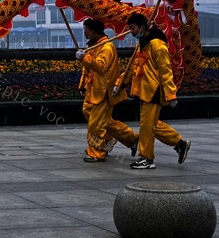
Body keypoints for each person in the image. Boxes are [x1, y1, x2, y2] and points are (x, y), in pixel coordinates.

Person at [114, 12, 191, 169]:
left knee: (146, 126)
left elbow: (166, 71)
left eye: (133, 28)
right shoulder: (142, 44)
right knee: (152, 125)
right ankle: (180, 143)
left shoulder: (157, 45)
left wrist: (171, 95)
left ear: (142, 27)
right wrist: (119, 84)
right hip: (143, 90)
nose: (131, 32)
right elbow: (132, 68)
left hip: (153, 91)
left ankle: (146, 158)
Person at [75, 18, 137, 162]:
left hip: (103, 92)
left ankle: (97, 152)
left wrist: (85, 58)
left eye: (86, 30)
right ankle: (129, 138)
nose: (84, 33)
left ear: (93, 31)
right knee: (93, 116)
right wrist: (82, 85)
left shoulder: (107, 48)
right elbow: (88, 71)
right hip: (93, 90)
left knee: (96, 124)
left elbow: (100, 66)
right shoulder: (95, 46)